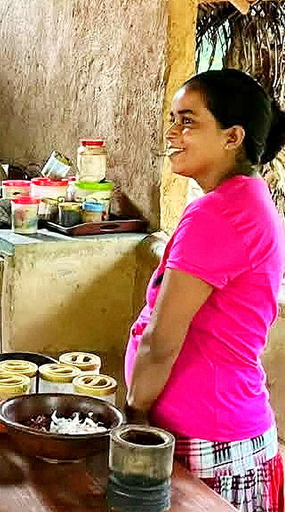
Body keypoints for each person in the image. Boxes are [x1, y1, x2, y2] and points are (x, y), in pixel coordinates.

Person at [125, 69, 285, 511]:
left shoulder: (219, 213)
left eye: (189, 121)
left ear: (233, 137)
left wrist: (134, 414)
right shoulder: (249, 199)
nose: (172, 133)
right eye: (173, 119)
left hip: (208, 447)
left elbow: (161, 340)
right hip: (228, 436)